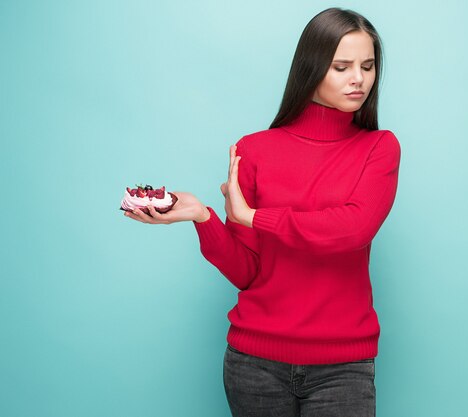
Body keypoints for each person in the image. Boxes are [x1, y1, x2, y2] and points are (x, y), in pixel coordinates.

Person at [124, 7, 400, 417]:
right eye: (341, 66)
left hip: (342, 368)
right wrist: (204, 217)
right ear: (311, 67)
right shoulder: (253, 150)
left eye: (367, 66)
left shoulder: (379, 148)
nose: (358, 79)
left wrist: (254, 217)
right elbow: (248, 272)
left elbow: (352, 229)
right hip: (254, 364)